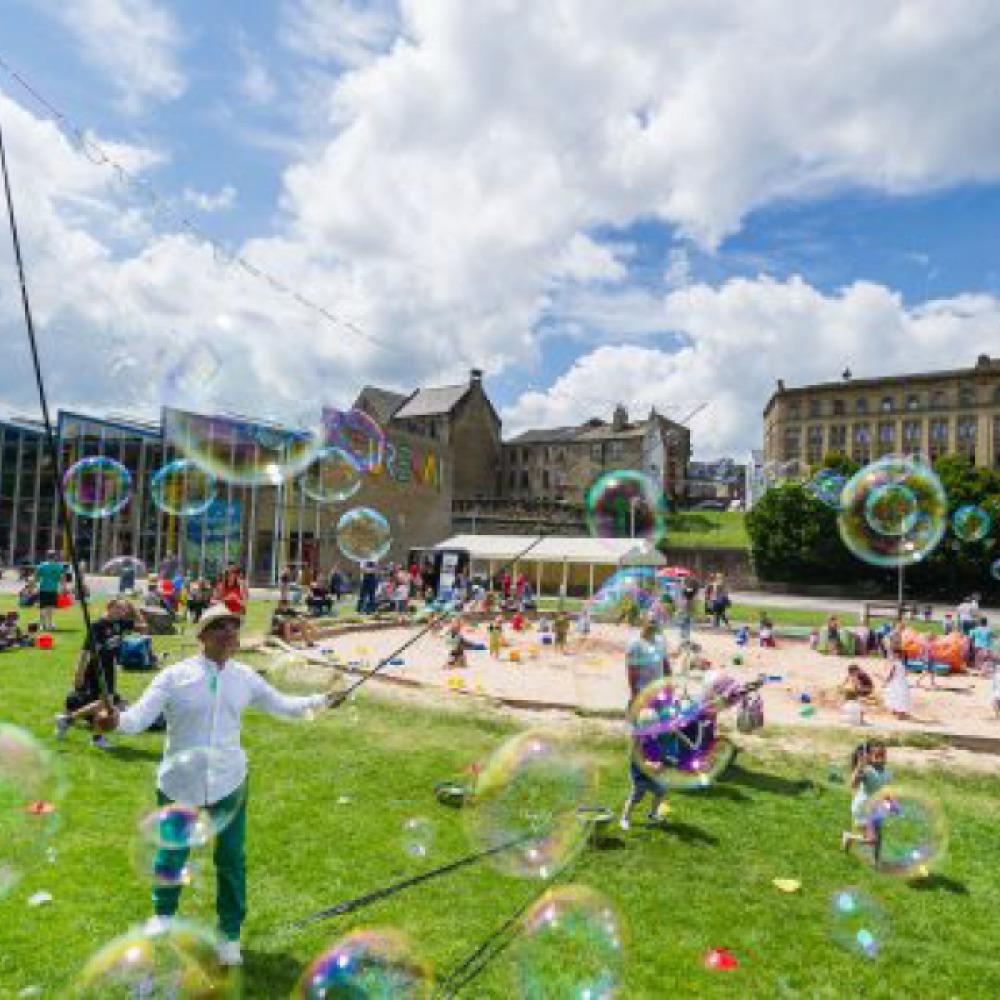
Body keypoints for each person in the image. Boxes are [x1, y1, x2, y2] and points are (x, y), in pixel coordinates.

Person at [92, 604, 339, 965]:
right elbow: (136, 719)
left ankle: (229, 936)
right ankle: (163, 918)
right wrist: (113, 721)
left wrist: (322, 700)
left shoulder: (244, 677)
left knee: (231, 860)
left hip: (230, 781)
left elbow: (283, 705)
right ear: (201, 636)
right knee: (171, 853)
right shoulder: (174, 677)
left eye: (233, 628)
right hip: (180, 783)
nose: (228, 633)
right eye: (219, 627)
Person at [56, 599, 147, 748]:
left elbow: (144, 628)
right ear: (109, 608)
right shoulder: (97, 626)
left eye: (124, 610)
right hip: (96, 668)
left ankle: (69, 721)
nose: (121, 613)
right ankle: (90, 734)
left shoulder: (119, 623)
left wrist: (134, 609)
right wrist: (79, 673)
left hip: (109, 668)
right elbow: (85, 651)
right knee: (105, 702)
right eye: (118, 609)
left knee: (105, 703)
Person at [841, 739, 890, 855]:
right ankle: (849, 837)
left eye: (883, 755)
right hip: (863, 808)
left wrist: (890, 804)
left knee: (878, 838)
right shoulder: (868, 771)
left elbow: (885, 792)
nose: (882, 758)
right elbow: (853, 785)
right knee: (872, 839)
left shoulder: (888, 772)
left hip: (876, 808)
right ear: (869, 757)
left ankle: (877, 863)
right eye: (878, 756)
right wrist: (859, 767)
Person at [627, 621, 666, 704]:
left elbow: (665, 663)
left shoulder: (661, 642)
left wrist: (668, 687)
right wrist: (634, 692)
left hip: (658, 689)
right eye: (650, 622)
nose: (652, 625)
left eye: (654, 622)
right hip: (642, 689)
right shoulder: (635, 644)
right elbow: (632, 670)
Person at [35, 550, 64, 632]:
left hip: (43, 588)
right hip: (53, 589)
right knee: (50, 608)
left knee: (42, 607)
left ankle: (42, 625)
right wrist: (63, 588)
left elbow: (36, 578)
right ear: (55, 557)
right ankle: (49, 625)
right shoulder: (59, 567)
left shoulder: (41, 566)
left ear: (47, 556)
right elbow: (61, 579)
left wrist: (35, 587)